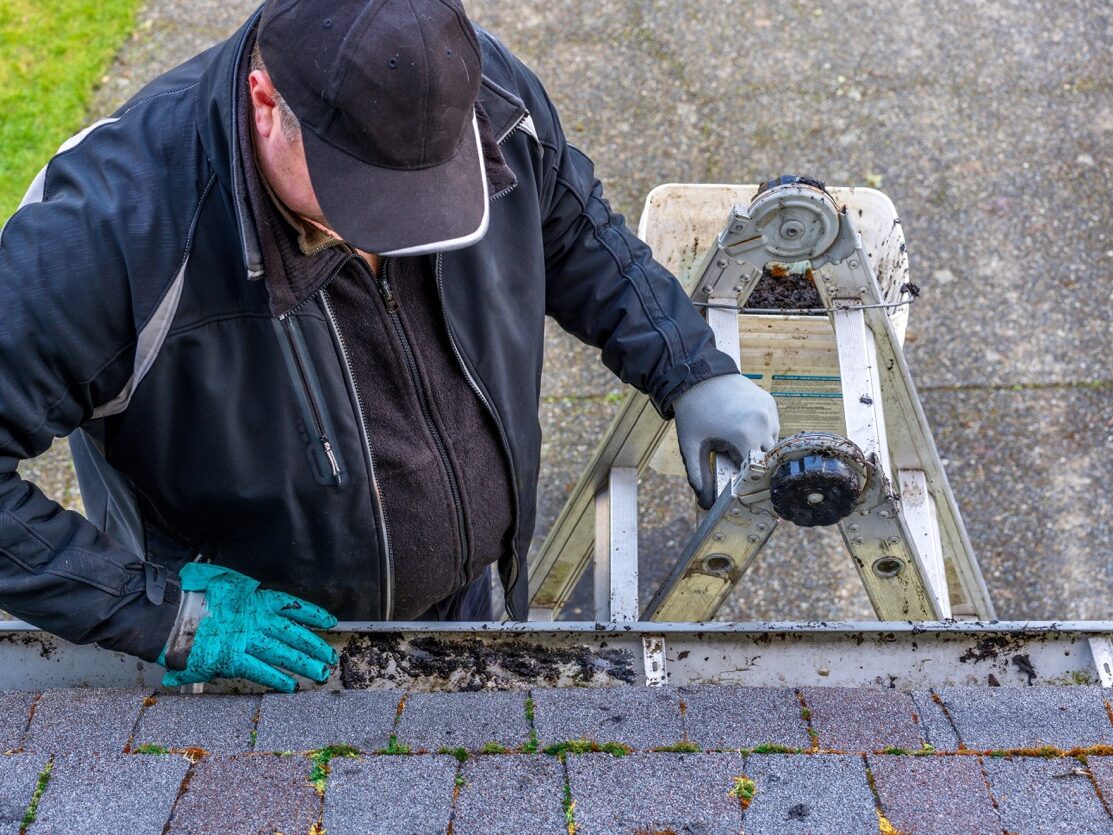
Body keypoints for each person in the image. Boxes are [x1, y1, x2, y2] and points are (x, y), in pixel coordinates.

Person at [0, 0, 778, 691]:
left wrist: (687, 363)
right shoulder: (105, 236)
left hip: (469, 601)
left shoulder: (475, 89)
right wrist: (161, 612)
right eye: (369, 199)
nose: (407, 233)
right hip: (256, 651)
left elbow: (569, 227)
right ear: (265, 102)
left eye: (433, 195)